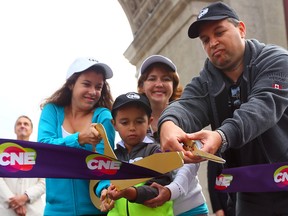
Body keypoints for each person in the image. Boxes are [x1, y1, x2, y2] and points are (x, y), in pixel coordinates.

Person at [157, 1, 288, 216]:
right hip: (247, 193)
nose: (213, 43)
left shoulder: (276, 60)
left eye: (219, 32)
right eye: (205, 40)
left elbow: (262, 107)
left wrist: (221, 135)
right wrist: (168, 124)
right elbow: (186, 106)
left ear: (241, 29)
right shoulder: (205, 81)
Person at [38, 57, 115, 216]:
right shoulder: (51, 110)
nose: (93, 92)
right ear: (71, 84)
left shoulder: (104, 117)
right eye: (86, 84)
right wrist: (78, 139)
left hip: (95, 211)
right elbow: (44, 150)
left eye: (98, 86)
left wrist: (105, 190)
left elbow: (105, 164)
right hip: (55, 211)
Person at [138, 55, 208, 216]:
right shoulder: (133, 126)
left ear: (174, 85)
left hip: (190, 209)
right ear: (142, 86)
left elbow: (190, 167)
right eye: (152, 78)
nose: (159, 84)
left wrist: (170, 191)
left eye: (166, 79)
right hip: (154, 211)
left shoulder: (186, 117)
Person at [98, 92, 174, 216]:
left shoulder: (157, 152)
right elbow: (102, 182)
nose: (132, 127)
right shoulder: (112, 158)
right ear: (114, 124)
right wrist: (105, 193)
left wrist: (128, 192)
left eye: (139, 121)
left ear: (149, 121)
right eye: (124, 122)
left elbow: (158, 188)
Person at [0, 115, 45, 216]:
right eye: (19, 124)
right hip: (7, 210)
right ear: (15, 129)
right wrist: (14, 202)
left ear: (31, 130)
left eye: (26, 124)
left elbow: (43, 183)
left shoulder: (40, 154)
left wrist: (25, 197)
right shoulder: (3, 153)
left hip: (33, 210)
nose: (22, 126)